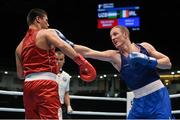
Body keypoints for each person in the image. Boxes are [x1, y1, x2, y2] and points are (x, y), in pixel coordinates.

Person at [63, 25, 174, 119]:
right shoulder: (114, 56)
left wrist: (147, 60)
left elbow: (167, 63)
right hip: (139, 101)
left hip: (159, 97)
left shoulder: (144, 47)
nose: (113, 38)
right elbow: (88, 52)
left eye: (115, 34)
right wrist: (65, 43)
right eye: (111, 36)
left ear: (125, 34)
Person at [15, 8, 96, 119]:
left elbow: (20, 74)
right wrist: (82, 62)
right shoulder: (46, 33)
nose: (48, 24)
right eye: (46, 20)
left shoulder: (19, 47)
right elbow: (62, 45)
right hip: (45, 85)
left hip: (28, 88)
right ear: (38, 19)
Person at [55, 50, 73, 119]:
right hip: (48, 104)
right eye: (56, 59)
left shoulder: (67, 76)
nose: (58, 61)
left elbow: (66, 93)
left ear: (64, 61)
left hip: (61, 106)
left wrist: (68, 105)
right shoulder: (48, 74)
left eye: (61, 59)